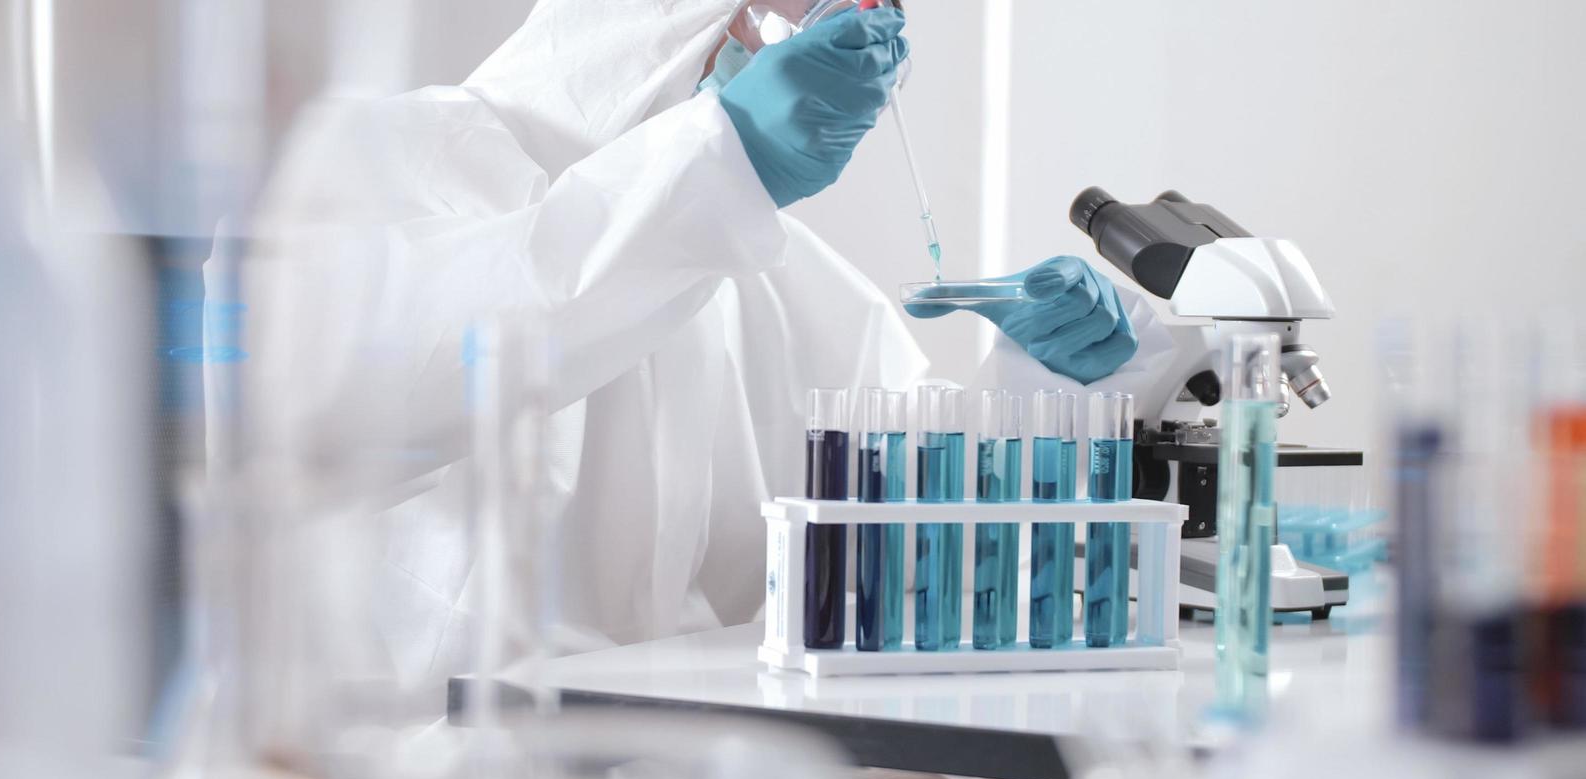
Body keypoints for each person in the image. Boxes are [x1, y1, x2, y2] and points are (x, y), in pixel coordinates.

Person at [244, 0, 1172, 713]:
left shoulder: (764, 264)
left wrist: (1042, 384)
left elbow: (897, 511)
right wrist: (717, 173)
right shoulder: (376, 163)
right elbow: (383, 374)